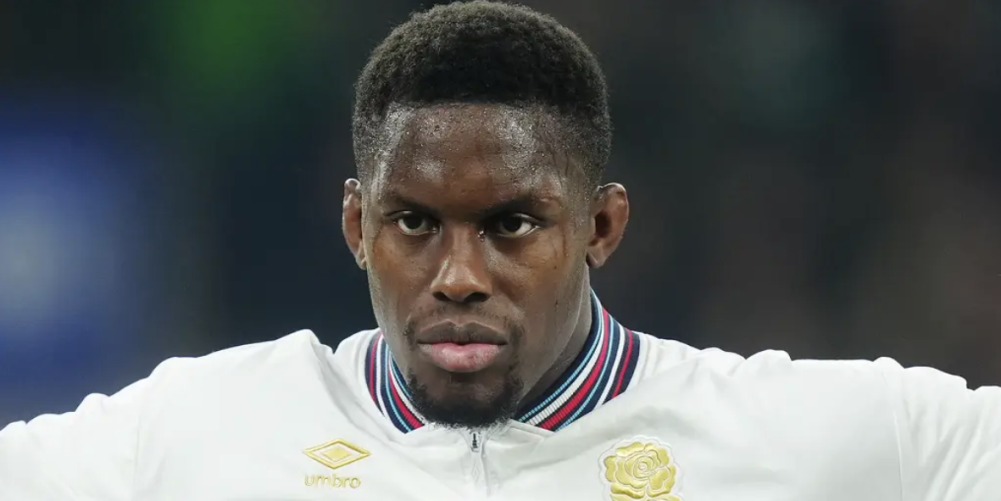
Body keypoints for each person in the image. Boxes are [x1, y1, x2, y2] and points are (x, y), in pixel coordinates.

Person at [2, 1, 999, 499]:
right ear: (355, 226)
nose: (459, 277)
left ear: (601, 227)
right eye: (413, 224)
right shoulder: (200, 429)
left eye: (510, 225)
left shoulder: (801, 434)